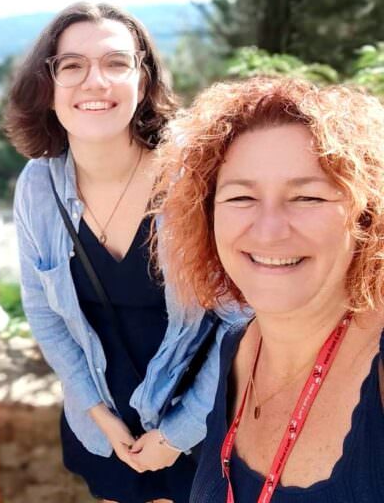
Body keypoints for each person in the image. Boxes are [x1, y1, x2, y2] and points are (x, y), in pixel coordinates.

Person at [5, 1, 238, 503]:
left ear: (143, 78)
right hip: (105, 426)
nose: (95, 82)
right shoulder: (38, 186)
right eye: (72, 65)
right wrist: (96, 412)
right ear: (47, 85)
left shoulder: (194, 180)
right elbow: (43, 311)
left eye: (116, 63)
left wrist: (178, 433)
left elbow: (239, 319)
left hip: (202, 423)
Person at [153, 76, 384, 501]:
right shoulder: (237, 350)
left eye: (308, 198)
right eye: (241, 198)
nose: (270, 230)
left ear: (365, 215)